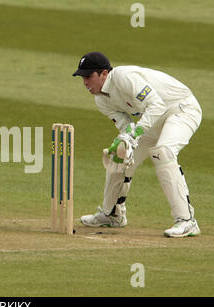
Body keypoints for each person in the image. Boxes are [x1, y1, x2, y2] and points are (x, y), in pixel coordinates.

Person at [72, 52, 202, 238]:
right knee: (118, 154)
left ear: (104, 74)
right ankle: (113, 214)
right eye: (82, 77)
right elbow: (125, 126)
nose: (85, 82)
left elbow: (156, 105)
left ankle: (186, 221)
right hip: (153, 120)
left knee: (162, 153)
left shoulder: (124, 77)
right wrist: (126, 141)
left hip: (181, 108)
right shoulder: (101, 100)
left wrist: (136, 133)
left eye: (88, 76)